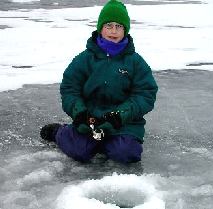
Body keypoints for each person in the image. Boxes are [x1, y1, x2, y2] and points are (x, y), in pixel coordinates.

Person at [40, 0, 158, 164]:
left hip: (123, 124)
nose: (114, 31)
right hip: (89, 121)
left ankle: (107, 143)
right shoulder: (84, 59)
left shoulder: (136, 62)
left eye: (119, 26)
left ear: (125, 30)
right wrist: (80, 113)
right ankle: (59, 132)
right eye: (109, 25)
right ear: (100, 28)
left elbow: (145, 94)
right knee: (79, 151)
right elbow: (69, 89)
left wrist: (120, 116)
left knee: (125, 153)